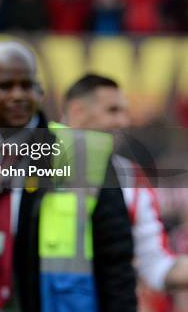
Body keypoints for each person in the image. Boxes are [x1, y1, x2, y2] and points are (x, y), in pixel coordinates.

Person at [0, 41, 137, 312]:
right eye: (6, 86)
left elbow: (115, 261)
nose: (18, 95)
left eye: (27, 85)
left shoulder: (85, 155)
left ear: (40, 92)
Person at [64, 74, 188, 294]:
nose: (124, 122)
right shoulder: (32, 167)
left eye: (125, 112)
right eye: (113, 111)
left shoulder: (131, 177)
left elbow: (155, 262)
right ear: (77, 112)